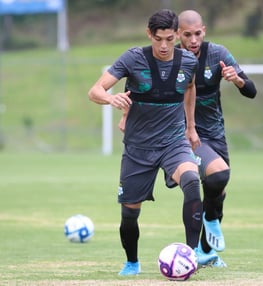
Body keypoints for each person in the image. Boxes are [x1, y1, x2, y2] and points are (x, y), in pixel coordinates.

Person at [88, 9, 203, 276]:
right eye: (159, 39)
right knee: (129, 212)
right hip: (139, 147)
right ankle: (132, 262)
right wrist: (111, 99)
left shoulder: (188, 62)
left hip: (174, 142)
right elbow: (95, 91)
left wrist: (191, 127)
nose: (164, 46)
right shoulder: (133, 58)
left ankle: (191, 254)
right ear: (149, 34)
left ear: (176, 36)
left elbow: (189, 88)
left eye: (170, 39)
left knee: (193, 181)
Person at [177, 10, 257, 267]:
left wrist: (237, 81)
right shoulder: (172, 58)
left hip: (215, 134)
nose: (193, 39)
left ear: (204, 31)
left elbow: (251, 91)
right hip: (186, 135)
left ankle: (205, 252)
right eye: (187, 34)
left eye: (197, 33)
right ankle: (199, 241)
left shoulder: (219, 54)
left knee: (218, 193)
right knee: (217, 176)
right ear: (178, 34)